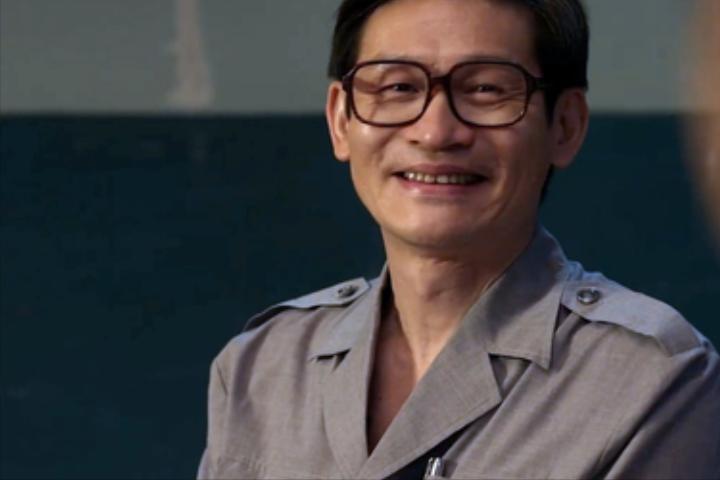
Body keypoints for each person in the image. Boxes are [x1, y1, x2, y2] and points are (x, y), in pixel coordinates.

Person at [198, 0, 720, 478]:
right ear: (340, 120)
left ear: (565, 125)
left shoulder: (649, 378)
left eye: (486, 89)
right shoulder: (263, 367)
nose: (435, 132)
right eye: (398, 87)